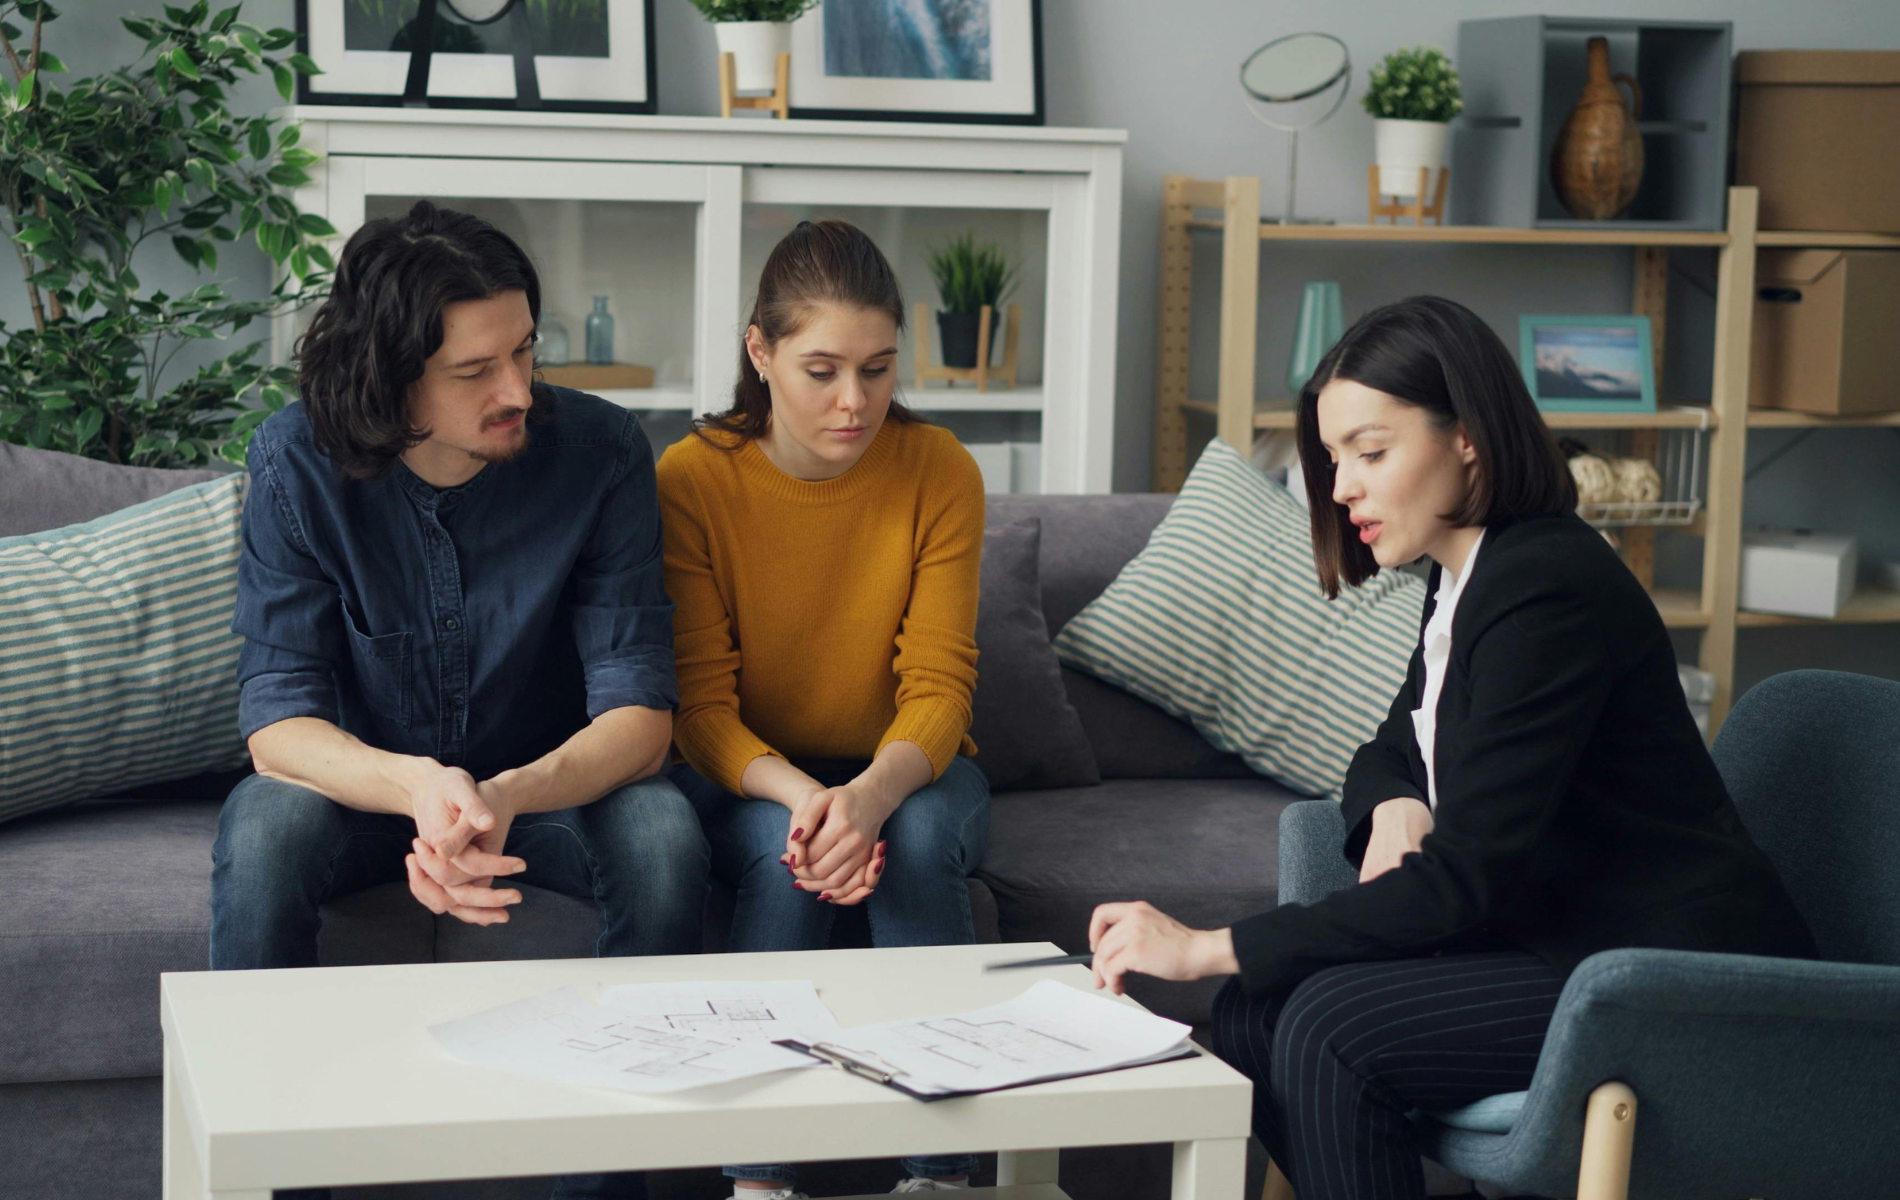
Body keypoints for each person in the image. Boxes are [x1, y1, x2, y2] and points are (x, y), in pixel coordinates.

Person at [1083, 296, 1816, 1200]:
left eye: (1371, 451)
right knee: (1253, 1013)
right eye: (1335, 458)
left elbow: (1466, 878)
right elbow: (1386, 749)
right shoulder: (1463, 577)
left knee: (1320, 1025)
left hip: (1660, 973)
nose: (1341, 485)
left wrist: (1206, 946)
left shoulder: (1542, 588)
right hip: (1560, 944)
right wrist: (1398, 800)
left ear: (1465, 437)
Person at [213, 201, 707, 1200]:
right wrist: (418, 788)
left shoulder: (605, 453)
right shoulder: (294, 462)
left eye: (526, 351)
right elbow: (278, 722)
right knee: (267, 830)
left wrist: (507, 793)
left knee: (662, 837)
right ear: (391, 376)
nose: (518, 390)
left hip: (549, 789)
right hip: (366, 792)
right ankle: (258, 1171)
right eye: (476, 371)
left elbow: (640, 718)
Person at [656, 220, 990, 1199]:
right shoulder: (691, 480)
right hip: (755, 772)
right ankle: (758, 1183)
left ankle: (942, 1177)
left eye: (879, 370)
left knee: (919, 844)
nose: (855, 403)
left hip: (910, 768)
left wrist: (870, 797)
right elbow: (700, 710)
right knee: (784, 856)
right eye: (822, 370)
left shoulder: (940, 472)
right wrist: (813, 802)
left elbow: (937, 690)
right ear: (759, 353)